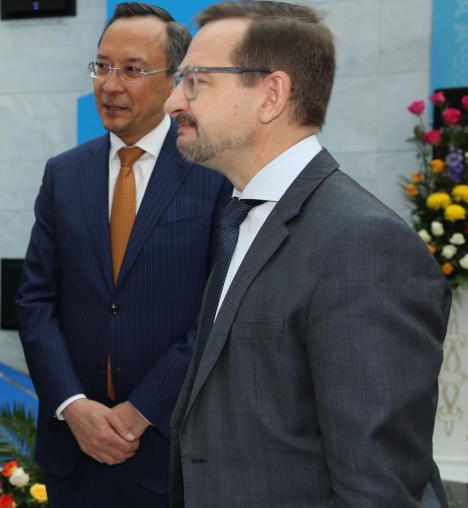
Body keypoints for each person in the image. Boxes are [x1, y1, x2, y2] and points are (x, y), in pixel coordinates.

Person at [165, 3, 450, 506]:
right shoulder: (240, 217)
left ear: (271, 94)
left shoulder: (363, 245)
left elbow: (377, 488)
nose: (172, 102)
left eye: (195, 81)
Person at [15, 3, 230, 506]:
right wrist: (73, 405)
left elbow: (218, 311)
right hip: (74, 451)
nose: (110, 85)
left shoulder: (215, 173)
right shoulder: (64, 173)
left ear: (176, 79)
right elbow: (35, 301)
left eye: (132, 70)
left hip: (169, 448)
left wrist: (140, 412)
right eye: (102, 66)